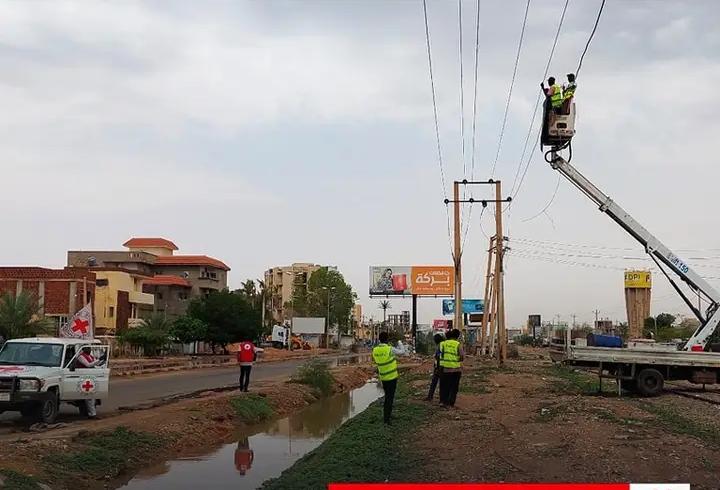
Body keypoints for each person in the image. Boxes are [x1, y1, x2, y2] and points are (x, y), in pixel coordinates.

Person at [372, 331, 402, 425]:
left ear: (379, 339)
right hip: (392, 377)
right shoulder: (390, 349)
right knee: (389, 398)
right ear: (387, 339)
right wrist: (399, 342)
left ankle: (388, 415)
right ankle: (387, 419)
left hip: (383, 377)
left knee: (387, 397)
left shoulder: (375, 350)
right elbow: (402, 352)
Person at [76, 346, 106, 419]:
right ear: (83, 349)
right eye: (87, 348)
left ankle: (91, 413)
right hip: (83, 377)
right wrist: (99, 359)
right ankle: (92, 414)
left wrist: (103, 360)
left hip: (90, 377)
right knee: (89, 396)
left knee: (91, 396)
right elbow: (88, 365)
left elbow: (96, 364)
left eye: (89, 348)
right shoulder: (81, 357)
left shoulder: (90, 356)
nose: (89, 349)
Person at [438, 329, 464, 407]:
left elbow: (440, 355)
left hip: (446, 368)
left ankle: (444, 401)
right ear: (457, 336)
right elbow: (462, 356)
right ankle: (451, 402)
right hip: (456, 369)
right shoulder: (458, 344)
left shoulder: (444, 344)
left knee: (445, 386)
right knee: (454, 386)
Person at [425, 333, 444, 401]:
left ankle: (431, 397)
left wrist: (437, 367)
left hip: (439, 367)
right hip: (442, 366)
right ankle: (440, 398)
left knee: (435, 382)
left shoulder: (440, 345)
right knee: (439, 383)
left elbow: (438, 357)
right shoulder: (443, 344)